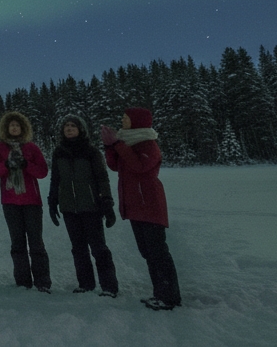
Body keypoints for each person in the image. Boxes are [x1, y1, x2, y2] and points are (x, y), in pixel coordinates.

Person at [102, 106, 182, 311]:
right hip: (134, 205)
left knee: (158, 253)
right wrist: (110, 147)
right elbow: (115, 166)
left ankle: (170, 297)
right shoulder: (127, 143)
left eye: (126, 117)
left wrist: (118, 144)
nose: (122, 120)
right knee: (147, 252)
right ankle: (160, 293)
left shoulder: (149, 144)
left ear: (136, 121)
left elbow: (140, 167)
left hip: (150, 204)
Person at [47, 114, 119, 297]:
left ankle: (109, 286)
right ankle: (86, 284)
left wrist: (107, 202)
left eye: (73, 126)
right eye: (66, 126)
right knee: (78, 248)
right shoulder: (59, 152)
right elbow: (56, 179)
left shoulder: (91, 152)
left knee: (99, 248)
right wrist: (52, 201)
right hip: (69, 208)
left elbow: (102, 178)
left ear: (81, 129)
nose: (69, 128)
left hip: (91, 206)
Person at [0, 110, 51, 292]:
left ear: (23, 128)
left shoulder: (31, 147)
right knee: (17, 243)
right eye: (11, 125)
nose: (14, 128)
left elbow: (43, 171)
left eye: (17, 125)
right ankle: (23, 281)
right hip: (10, 202)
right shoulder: (0, 148)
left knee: (36, 242)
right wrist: (6, 165)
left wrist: (26, 165)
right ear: (6, 128)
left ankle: (42, 281)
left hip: (32, 202)